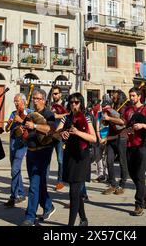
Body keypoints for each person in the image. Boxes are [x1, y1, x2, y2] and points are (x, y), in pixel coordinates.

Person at [57, 92, 96, 226]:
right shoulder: (65, 118)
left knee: (73, 192)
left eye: (76, 102)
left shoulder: (86, 117)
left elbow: (93, 138)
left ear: (81, 103)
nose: (73, 105)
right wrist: (63, 133)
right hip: (69, 156)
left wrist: (78, 132)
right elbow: (56, 134)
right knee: (76, 191)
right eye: (71, 102)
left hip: (82, 157)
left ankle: (70, 224)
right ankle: (84, 219)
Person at [119, 88, 146, 216]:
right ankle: (145, 192)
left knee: (140, 175)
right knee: (133, 174)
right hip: (130, 145)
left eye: (133, 96)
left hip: (142, 146)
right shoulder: (127, 110)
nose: (131, 98)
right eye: (130, 96)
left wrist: (142, 126)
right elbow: (125, 124)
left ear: (139, 96)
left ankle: (138, 204)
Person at [20, 89, 56, 226]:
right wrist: (21, 130)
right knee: (39, 183)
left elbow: (50, 129)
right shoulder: (29, 114)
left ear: (44, 100)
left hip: (43, 151)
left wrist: (34, 125)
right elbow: (24, 131)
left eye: (38, 98)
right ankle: (48, 206)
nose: (35, 100)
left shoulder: (49, 114)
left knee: (34, 184)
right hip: (30, 151)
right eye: (34, 98)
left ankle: (30, 217)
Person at [4, 93, 31, 207]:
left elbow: (30, 126)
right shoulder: (13, 113)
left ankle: (13, 196)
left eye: (17, 101)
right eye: (14, 101)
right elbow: (6, 129)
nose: (15, 103)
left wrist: (20, 120)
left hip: (22, 144)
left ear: (24, 101)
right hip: (13, 142)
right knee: (15, 170)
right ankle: (21, 193)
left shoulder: (29, 113)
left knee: (15, 169)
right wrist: (9, 124)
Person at [101, 90, 129, 195]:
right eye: (113, 97)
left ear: (120, 97)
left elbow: (122, 122)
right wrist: (105, 119)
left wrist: (109, 117)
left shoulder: (124, 107)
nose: (113, 98)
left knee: (122, 162)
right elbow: (109, 121)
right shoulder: (114, 106)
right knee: (109, 161)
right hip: (111, 137)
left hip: (121, 137)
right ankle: (113, 184)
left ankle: (122, 184)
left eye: (115, 97)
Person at [49, 85, 68, 191]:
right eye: (53, 94)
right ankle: (44, 179)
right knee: (46, 159)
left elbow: (68, 115)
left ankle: (60, 181)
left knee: (60, 160)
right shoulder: (51, 105)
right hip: (51, 135)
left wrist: (57, 116)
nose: (54, 95)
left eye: (56, 93)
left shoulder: (65, 104)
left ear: (60, 94)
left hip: (60, 136)